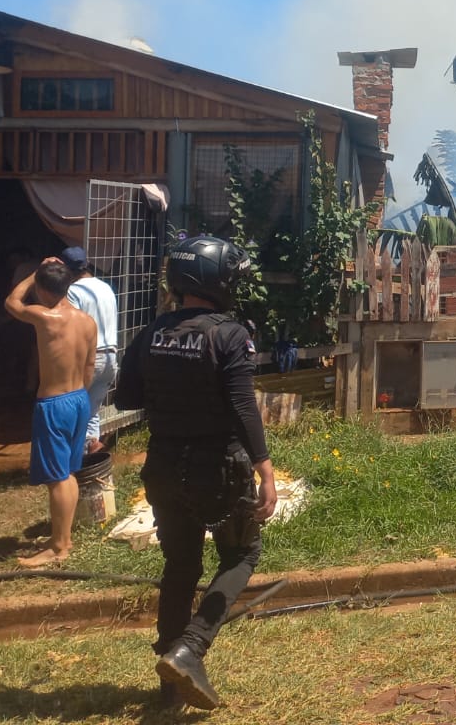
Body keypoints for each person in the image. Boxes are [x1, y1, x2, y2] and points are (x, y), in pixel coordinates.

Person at [115, 236, 278, 710]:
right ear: (218, 282)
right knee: (244, 554)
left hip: (162, 466)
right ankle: (192, 647)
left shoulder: (150, 333)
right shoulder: (229, 334)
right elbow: (244, 406)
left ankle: (170, 691)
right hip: (218, 470)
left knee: (181, 566)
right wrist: (264, 468)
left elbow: (126, 399)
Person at [4, 260, 97, 567]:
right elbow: (89, 367)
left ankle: (59, 547)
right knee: (67, 473)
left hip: (54, 404)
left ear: (42, 289)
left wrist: (32, 273)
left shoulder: (44, 317)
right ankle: (63, 537)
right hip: (79, 399)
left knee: (57, 478)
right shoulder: (87, 321)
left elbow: (12, 302)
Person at [60, 246, 119, 456]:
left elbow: (73, 327)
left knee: (71, 410)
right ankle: (91, 462)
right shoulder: (106, 287)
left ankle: (75, 459)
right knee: (92, 412)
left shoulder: (73, 292)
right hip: (111, 356)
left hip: (89, 358)